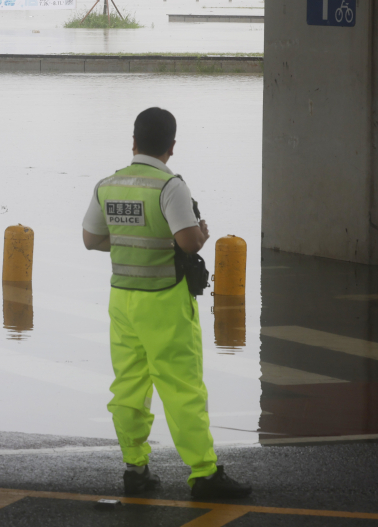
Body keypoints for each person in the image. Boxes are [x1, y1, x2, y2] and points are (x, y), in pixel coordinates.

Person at [82, 107, 251, 499]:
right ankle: (204, 474)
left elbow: (91, 239)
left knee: (128, 387)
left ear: (134, 142)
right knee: (182, 387)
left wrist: (125, 240)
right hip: (164, 303)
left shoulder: (108, 184)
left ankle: (135, 468)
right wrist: (202, 233)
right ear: (171, 147)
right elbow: (188, 242)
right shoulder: (169, 186)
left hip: (122, 301)